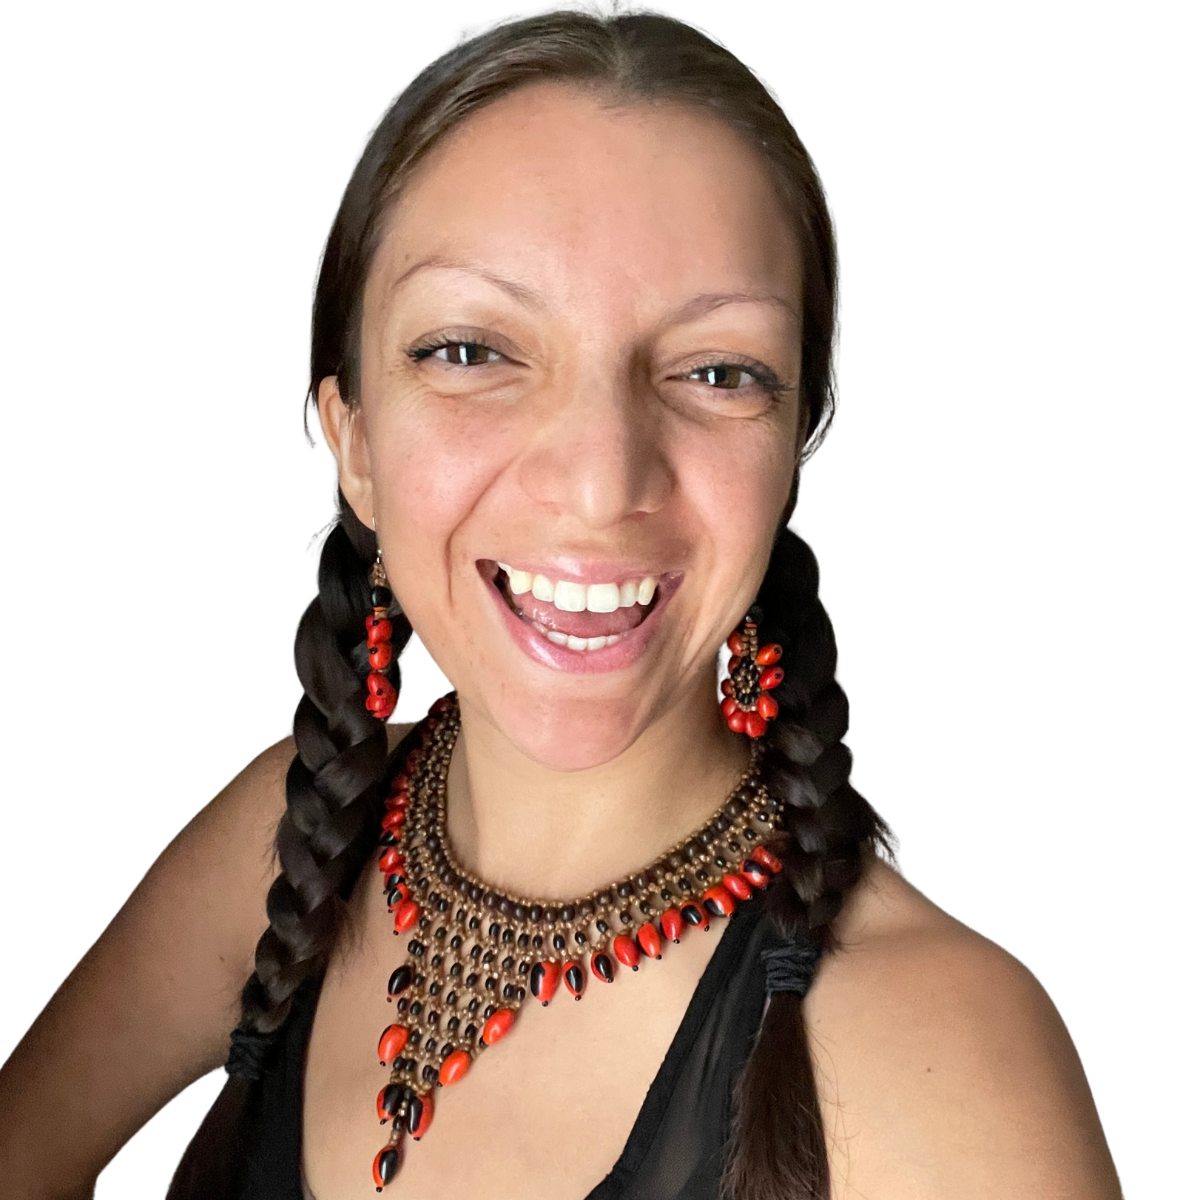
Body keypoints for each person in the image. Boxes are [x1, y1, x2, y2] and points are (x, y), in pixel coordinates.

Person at [0, 11, 1122, 1200]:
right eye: (472, 352)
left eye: (718, 371)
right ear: (355, 441)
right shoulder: (277, 848)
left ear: (793, 445)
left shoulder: (941, 1054)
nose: (600, 483)